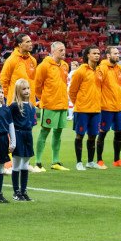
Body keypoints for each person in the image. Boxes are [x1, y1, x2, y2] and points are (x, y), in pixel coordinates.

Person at [32, 42, 69, 170]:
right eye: (60, 50)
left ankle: (56, 162)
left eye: (64, 50)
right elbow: (37, 86)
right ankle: (38, 162)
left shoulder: (65, 65)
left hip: (63, 104)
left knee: (58, 133)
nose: (63, 52)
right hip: (49, 105)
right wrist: (44, 99)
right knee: (44, 131)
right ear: (53, 51)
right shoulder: (44, 66)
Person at [68, 46, 102, 171]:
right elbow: (72, 91)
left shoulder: (99, 71)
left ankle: (90, 161)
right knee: (80, 136)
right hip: (82, 110)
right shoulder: (81, 71)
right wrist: (79, 103)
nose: (97, 55)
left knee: (93, 136)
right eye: (94, 53)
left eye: (98, 53)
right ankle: (78, 162)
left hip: (96, 109)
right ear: (88, 55)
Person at [96, 44, 121, 168]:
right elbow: (97, 86)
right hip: (106, 107)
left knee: (119, 133)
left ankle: (117, 160)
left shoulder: (119, 69)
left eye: (118, 54)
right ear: (108, 55)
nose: (117, 55)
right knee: (102, 133)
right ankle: (99, 160)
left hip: (119, 107)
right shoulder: (102, 68)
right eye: (115, 53)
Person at [9, 79, 37, 201]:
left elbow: (32, 123)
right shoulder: (14, 106)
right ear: (18, 91)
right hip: (18, 134)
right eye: (23, 89)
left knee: (25, 163)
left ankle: (24, 191)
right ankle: (16, 192)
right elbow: (8, 122)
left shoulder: (31, 106)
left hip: (27, 135)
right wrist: (11, 139)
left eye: (28, 88)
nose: (26, 91)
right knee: (16, 163)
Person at [0, 34, 37, 105]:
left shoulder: (33, 60)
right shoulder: (11, 60)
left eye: (30, 41)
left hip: (30, 102)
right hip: (15, 102)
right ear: (20, 44)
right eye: (27, 42)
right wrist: (10, 97)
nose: (31, 44)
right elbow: (3, 81)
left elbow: (34, 80)